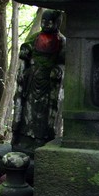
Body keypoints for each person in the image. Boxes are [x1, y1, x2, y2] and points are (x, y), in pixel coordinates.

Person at [11, 9, 65, 155]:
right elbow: (25, 50)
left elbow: (63, 62)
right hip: (31, 79)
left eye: (49, 22)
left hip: (47, 83)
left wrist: (57, 71)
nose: (45, 24)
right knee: (27, 110)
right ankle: (23, 138)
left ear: (57, 23)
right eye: (43, 21)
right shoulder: (36, 37)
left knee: (42, 112)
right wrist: (25, 53)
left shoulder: (61, 41)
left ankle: (41, 139)